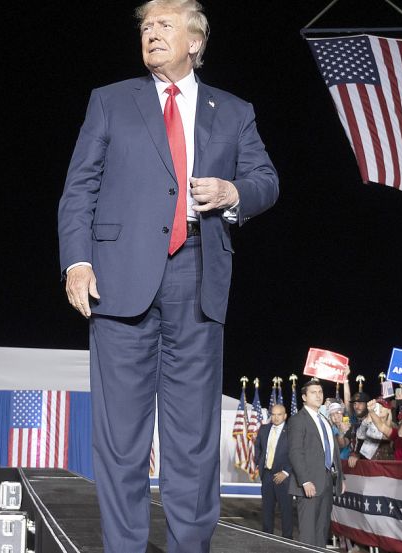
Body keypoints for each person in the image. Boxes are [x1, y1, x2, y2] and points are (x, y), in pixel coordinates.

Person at [56, 1, 278, 551]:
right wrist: (77, 262)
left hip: (199, 282)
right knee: (121, 442)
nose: (151, 34)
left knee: (193, 444)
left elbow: (265, 179)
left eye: (164, 26)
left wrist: (233, 194)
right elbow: (78, 188)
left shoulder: (234, 111)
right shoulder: (109, 102)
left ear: (195, 42)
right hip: (118, 283)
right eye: (145, 27)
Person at [288, 380, 345, 547]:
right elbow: (295, 452)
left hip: (326, 483)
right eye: (313, 392)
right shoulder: (298, 420)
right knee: (308, 532)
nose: (318, 395)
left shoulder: (325, 421)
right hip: (309, 484)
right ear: (304, 397)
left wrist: (341, 478)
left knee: (322, 529)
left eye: (320, 392)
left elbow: (333, 451)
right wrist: (305, 480)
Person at [253, 404, 292, 539]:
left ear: (285, 416)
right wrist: (259, 463)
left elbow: (296, 454)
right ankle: (267, 538)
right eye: (273, 414)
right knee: (267, 510)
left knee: (286, 510)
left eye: (279, 414)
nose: (275, 417)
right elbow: (257, 447)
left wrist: (286, 472)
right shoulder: (264, 429)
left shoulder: (291, 431)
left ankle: (288, 540)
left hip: (283, 476)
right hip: (267, 474)